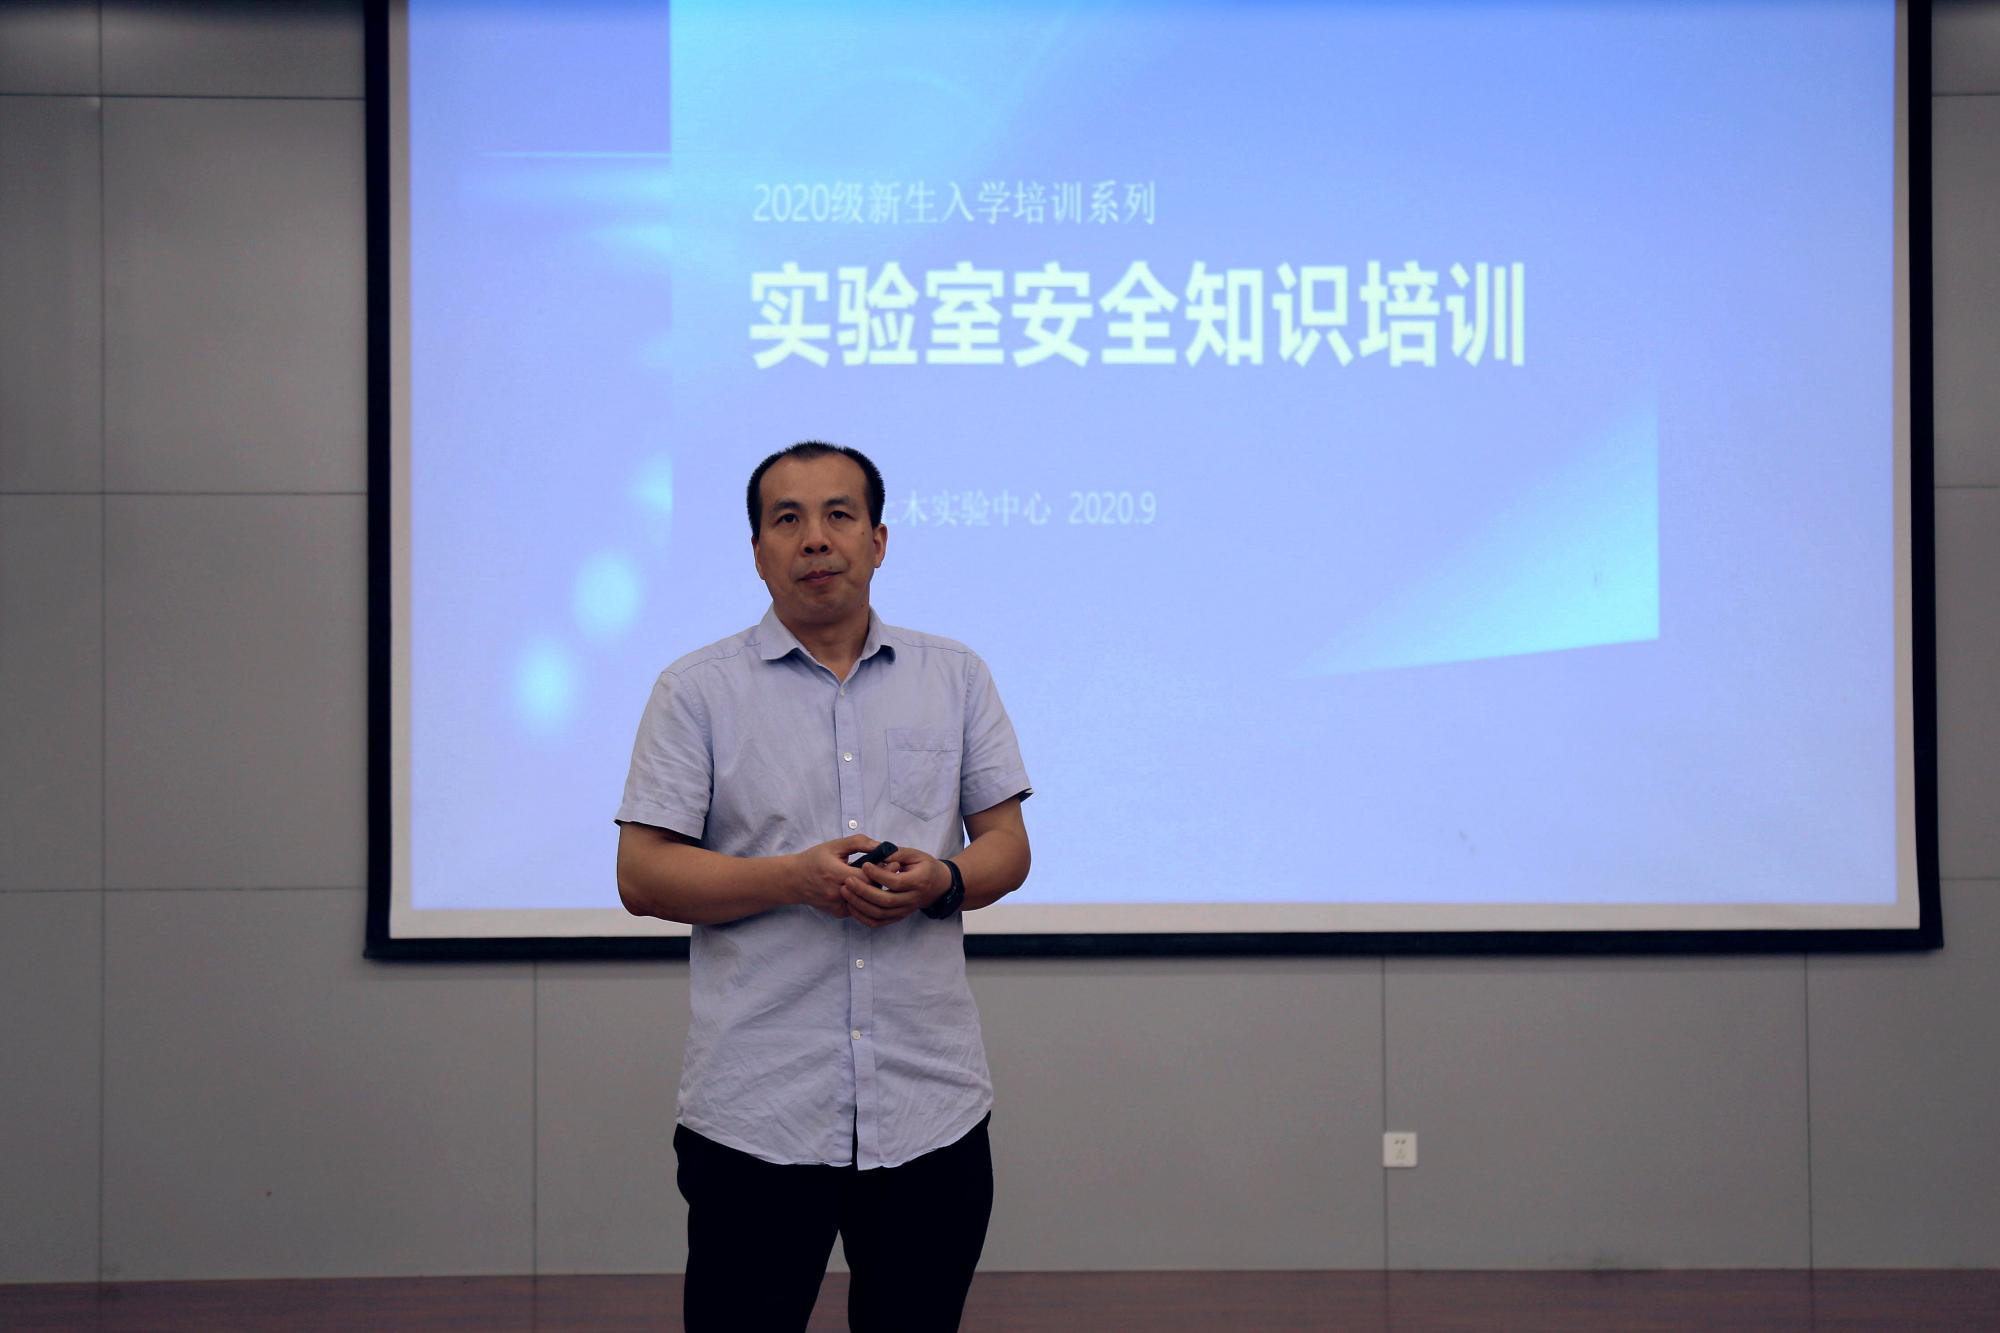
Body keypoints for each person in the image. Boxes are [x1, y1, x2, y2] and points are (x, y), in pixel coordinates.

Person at [614, 441, 1034, 1332]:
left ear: (878, 540)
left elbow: (1007, 846)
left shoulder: (954, 675)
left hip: (929, 1104)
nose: (816, 539)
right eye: (788, 519)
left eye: (840, 515)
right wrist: (793, 878)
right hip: (758, 1109)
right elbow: (642, 874)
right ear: (757, 551)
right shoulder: (695, 691)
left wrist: (943, 878)